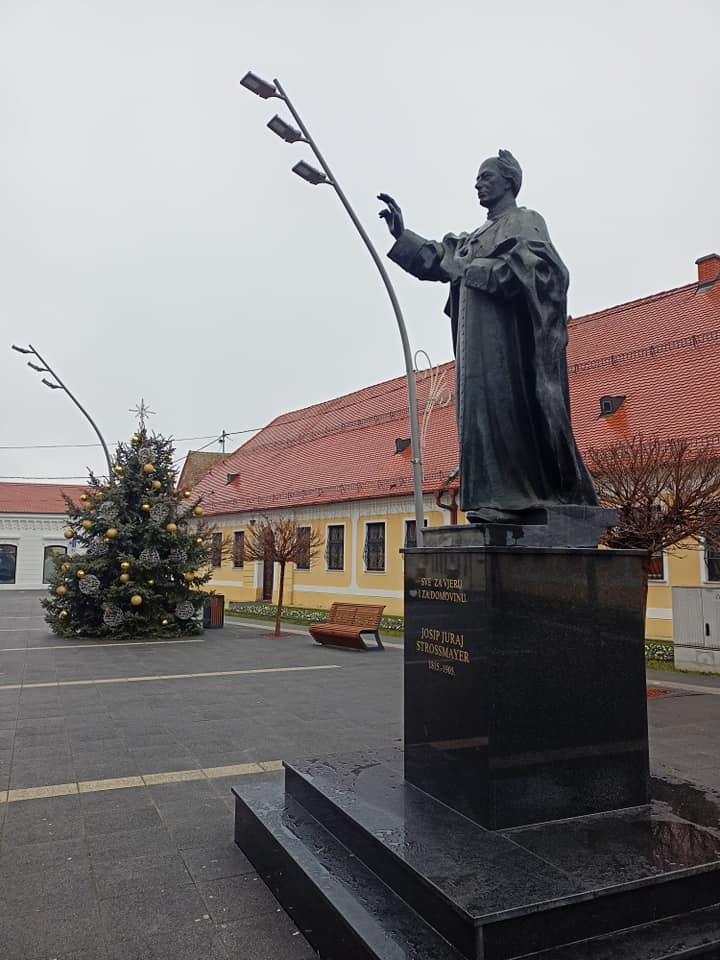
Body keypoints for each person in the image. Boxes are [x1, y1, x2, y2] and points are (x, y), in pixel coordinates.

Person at [378, 150, 597, 523]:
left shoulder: (525, 221)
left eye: (486, 177)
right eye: (477, 179)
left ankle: (515, 498)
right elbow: (440, 258)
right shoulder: (475, 236)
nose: (478, 184)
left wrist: (475, 271)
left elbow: (545, 273)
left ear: (509, 182)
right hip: (473, 346)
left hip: (508, 345)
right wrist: (403, 235)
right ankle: (492, 498)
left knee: (505, 409)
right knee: (477, 415)